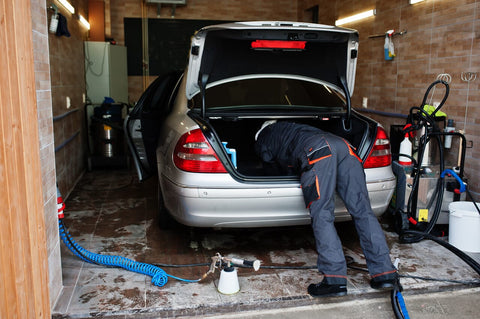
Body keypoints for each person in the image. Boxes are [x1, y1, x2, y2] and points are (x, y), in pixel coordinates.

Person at [254, 121, 399, 297]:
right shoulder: (297, 127)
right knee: (363, 211)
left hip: (318, 152)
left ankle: (334, 279)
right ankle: (385, 274)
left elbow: (270, 166)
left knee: (322, 213)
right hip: (347, 149)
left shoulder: (264, 136)